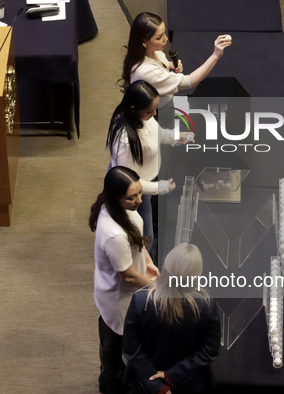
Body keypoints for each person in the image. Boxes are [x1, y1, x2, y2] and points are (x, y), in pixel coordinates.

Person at [89, 166, 160, 394]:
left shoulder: (117, 208)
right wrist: (156, 286)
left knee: (114, 336)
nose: (139, 200)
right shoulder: (115, 235)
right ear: (115, 196)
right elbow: (128, 275)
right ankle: (110, 381)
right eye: (132, 197)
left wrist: (148, 263)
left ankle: (113, 374)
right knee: (116, 339)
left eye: (140, 193)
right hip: (119, 296)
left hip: (123, 288)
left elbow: (137, 240)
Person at [123, 243, 221, 394]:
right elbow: (209, 351)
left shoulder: (140, 300)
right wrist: (172, 375)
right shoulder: (206, 305)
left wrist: (156, 385)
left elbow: (131, 348)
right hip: (190, 383)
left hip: (144, 385)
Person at [107, 80, 191, 250]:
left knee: (145, 237)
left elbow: (154, 131)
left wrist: (175, 137)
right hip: (136, 193)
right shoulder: (125, 143)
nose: (154, 113)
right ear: (133, 108)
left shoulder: (141, 116)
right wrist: (161, 187)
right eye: (149, 111)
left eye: (155, 109)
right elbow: (131, 184)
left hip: (144, 185)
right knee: (144, 240)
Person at [120, 12, 232, 127]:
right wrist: (215, 55)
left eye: (164, 33)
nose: (166, 39)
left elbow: (158, 66)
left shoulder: (151, 51)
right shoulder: (146, 71)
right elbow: (190, 82)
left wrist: (169, 65)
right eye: (159, 37)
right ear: (144, 42)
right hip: (157, 113)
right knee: (167, 137)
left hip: (164, 104)